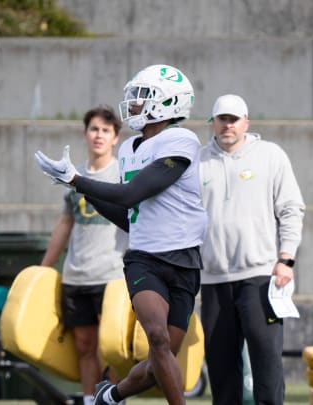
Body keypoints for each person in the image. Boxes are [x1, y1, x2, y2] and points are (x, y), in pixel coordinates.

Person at [35, 64, 207, 405]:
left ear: (169, 102)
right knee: (156, 338)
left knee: (161, 361)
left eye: (143, 97)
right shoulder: (129, 148)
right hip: (144, 259)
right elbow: (129, 218)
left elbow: (131, 195)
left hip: (184, 259)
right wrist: (82, 190)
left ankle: (111, 394)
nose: (134, 104)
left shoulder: (182, 140)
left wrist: (77, 181)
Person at [198, 94, 305, 405]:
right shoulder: (198, 162)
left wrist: (286, 258)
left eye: (234, 119)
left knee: (266, 360)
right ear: (213, 122)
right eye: (222, 119)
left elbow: (291, 208)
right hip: (214, 279)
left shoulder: (270, 155)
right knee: (221, 367)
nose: (228, 125)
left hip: (260, 276)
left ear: (247, 122)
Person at [40, 105, 127, 405]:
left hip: (112, 276)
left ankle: (113, 399)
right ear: (85, 133)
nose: (99, 135)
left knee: (112, 346)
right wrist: (43, 269)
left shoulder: (122, 173)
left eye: (106, 130)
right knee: (84, 346)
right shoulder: (72, 176)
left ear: (116, 137)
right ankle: (90, 400)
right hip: (76, 275)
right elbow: (65, 223)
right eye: (94, 129)